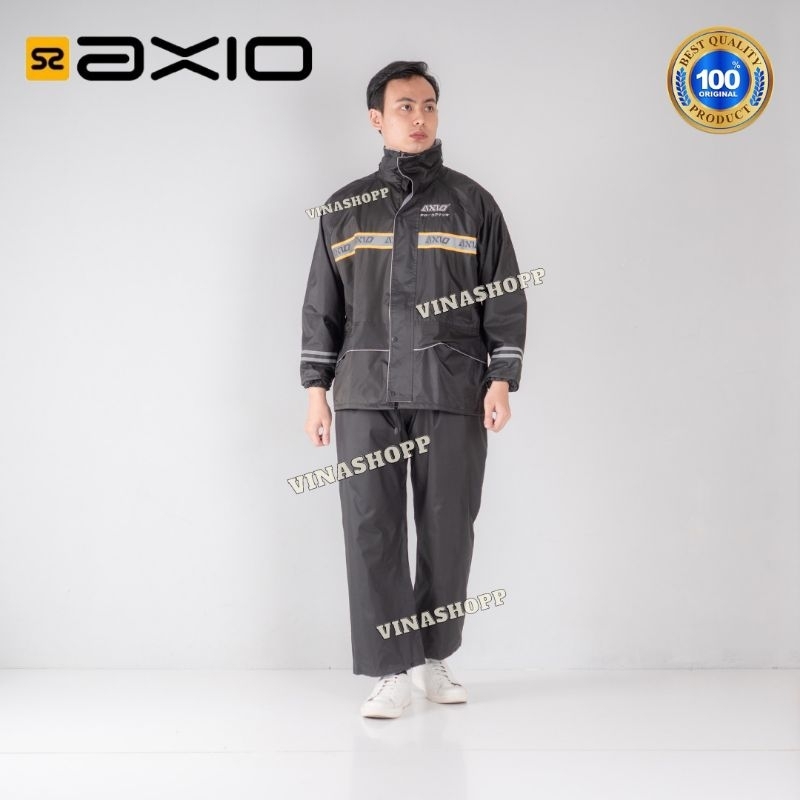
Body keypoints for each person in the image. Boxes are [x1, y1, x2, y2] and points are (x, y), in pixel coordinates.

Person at [299, 60, 527, 718]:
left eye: (428, 105)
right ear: (378, 118)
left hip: (451, 388)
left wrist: (502, 378)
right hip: (364, 392)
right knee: (371, 529)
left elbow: (504, 296)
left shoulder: (472, 203)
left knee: (448, 526)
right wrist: (316, 391)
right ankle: (389, 670)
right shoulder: (344, 209)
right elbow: (322, 307)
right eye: (405, 106)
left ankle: (433, 656)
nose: (419, 117)